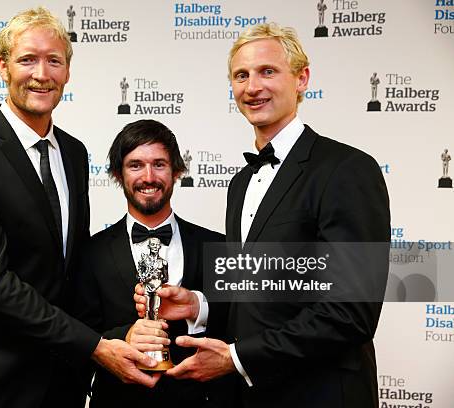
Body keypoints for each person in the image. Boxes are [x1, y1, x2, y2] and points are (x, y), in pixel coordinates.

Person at [135, 23, 390, 408]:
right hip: (252, 396)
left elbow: (351, 312)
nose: (252, 87)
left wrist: (236, 358)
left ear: (302, 79)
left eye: (267, 71)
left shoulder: (347, 169)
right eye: (241, 75)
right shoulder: (240, 184)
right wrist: (197, 306)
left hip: (321, 395)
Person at [0, 7, 159, 408]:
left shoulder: (73, 152)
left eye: (54, 60)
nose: (42, 73)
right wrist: (95, 346)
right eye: (27, 59)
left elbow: (72, 267)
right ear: (3, 67)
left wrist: (122, 332)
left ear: (67, 71)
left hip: (59, 377)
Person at [71, 119, 225, 408]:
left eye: (159, 164)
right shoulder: (90, 251)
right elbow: (77, 332)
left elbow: (240, 324)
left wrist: (197, 307)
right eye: (135, 165)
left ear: (176, 170)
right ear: (118, 174)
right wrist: (124, 336)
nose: (149, 176)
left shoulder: (218, 246)